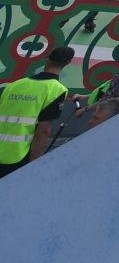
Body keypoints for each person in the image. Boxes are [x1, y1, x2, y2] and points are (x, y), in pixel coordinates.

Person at [0, 45, 75, 178]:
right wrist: (34, 165)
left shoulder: (15, 84)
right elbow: (43, 131)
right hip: (16, 155)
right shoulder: (57, 90)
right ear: (68, 62)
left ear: (47, 59)